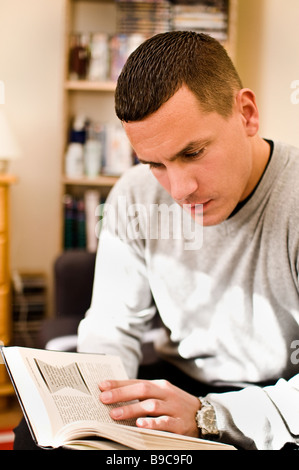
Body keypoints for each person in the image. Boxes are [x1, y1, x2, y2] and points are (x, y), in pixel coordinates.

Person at [14, 31, 299, 450]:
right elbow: (112, 326)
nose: (179, 188)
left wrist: (209, 416)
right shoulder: (133, 195)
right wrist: (98, 412)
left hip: (277, 394)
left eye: (193, 152)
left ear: (247, 113)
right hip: (177, 382)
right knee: (37, 440)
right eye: (155, 164)